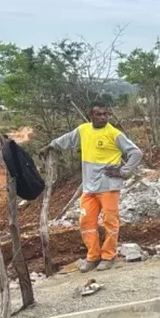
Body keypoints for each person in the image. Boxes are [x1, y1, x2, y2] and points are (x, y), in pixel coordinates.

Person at [44, 102, 142, 272]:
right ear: (91, 116)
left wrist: (124, 171)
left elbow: (136, 153)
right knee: (86, 221)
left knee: (110, 222)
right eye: (99, 114)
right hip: (89, 187)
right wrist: (51, 146)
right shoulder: (83, 130)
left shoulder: (113, 133)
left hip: (109, 186)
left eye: (105, 114)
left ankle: (108, 256)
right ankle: (93, 256)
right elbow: (66, 139)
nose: (103, 117)